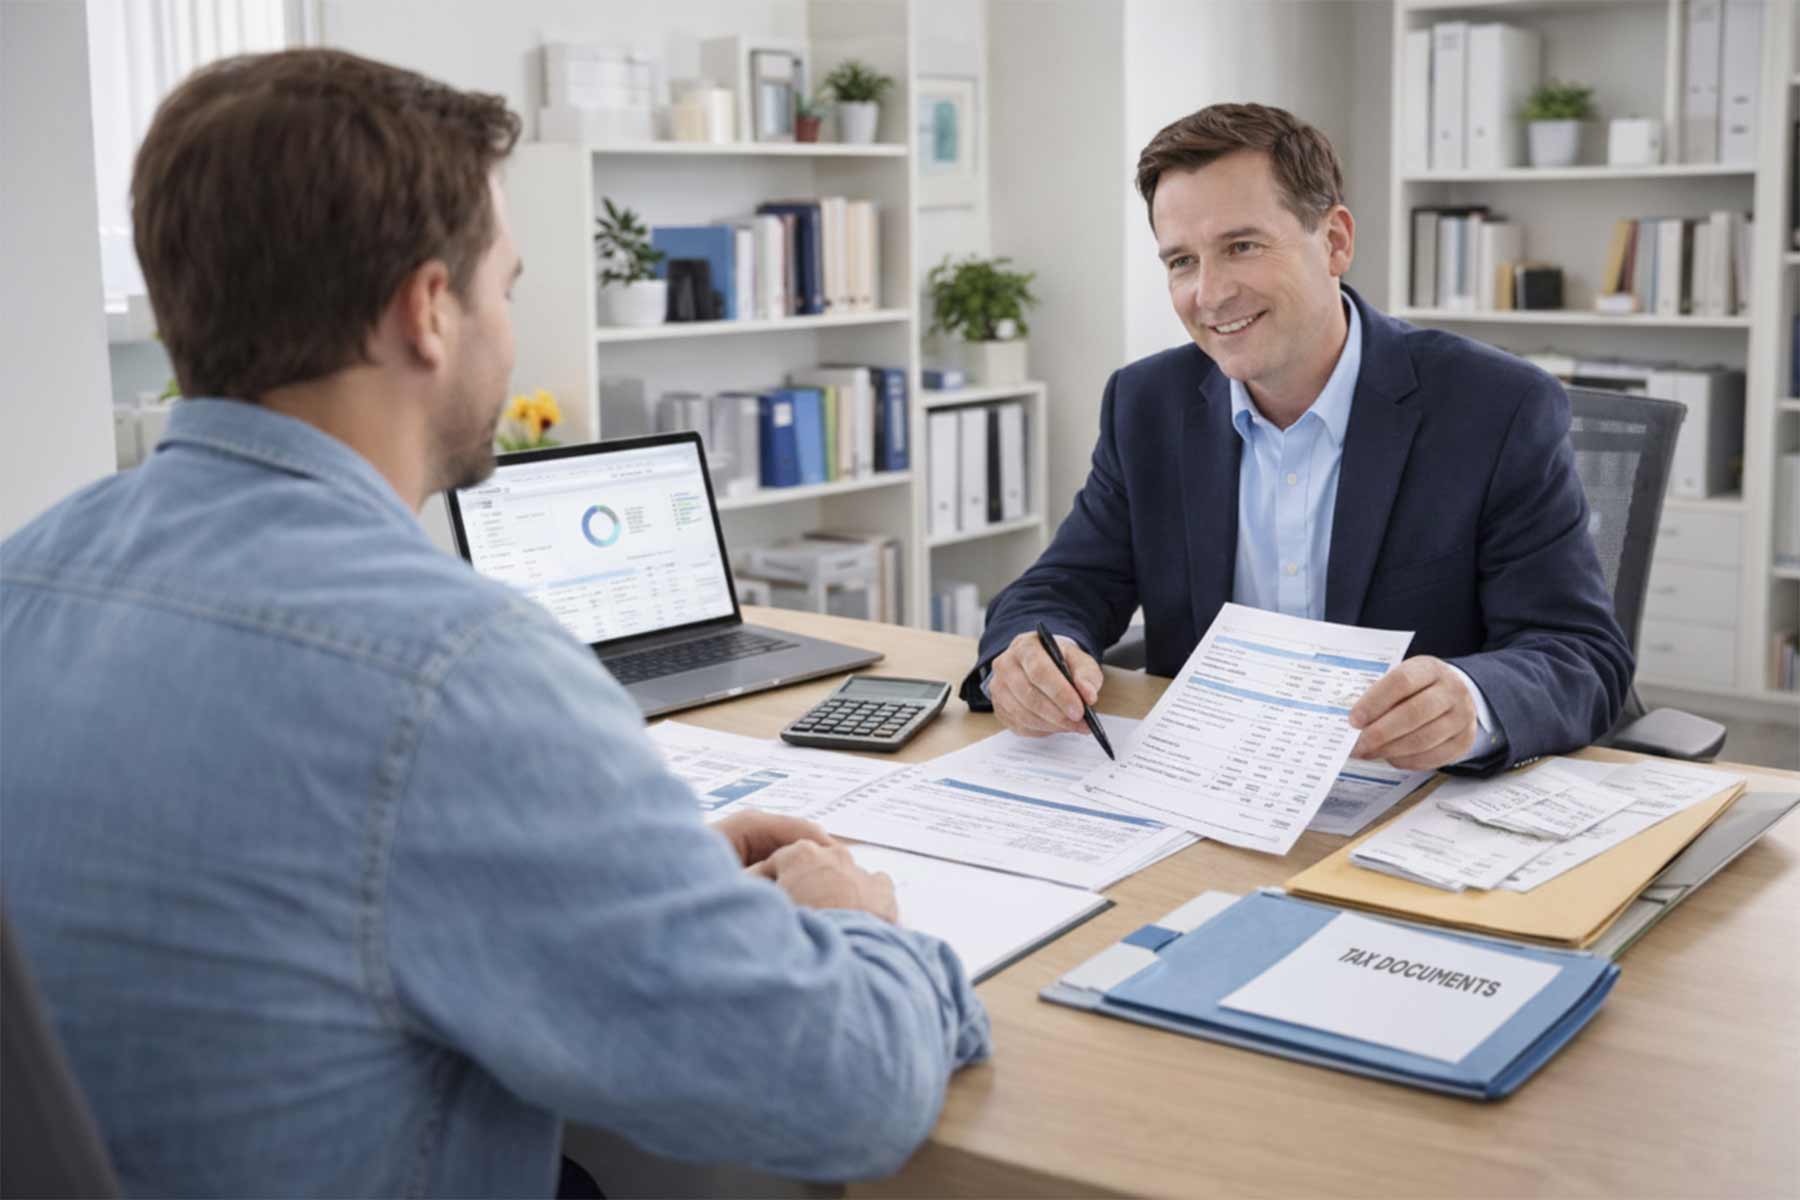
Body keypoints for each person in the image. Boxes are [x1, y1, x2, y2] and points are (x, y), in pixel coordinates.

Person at [0, 49, 987, 1197]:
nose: (511, 332)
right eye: (506, 289)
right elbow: (849, 1088)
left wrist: (627, 883)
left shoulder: (24, 583)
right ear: (428, 311)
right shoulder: (455, 674)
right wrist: (864, 927)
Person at [965, 103, 1631, 775]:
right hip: (1205, 789)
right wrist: (1028, 656)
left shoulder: (1495, 407)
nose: (1210, 292)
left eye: (1242, 246)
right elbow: (1068, 583)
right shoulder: (1147, 405)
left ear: (1335, 241)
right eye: (1181, 262)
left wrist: (1477, 702)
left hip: (1407, 802)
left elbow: (1579, 654)